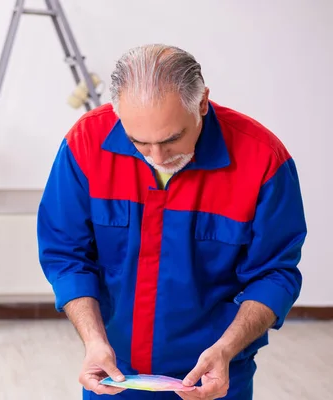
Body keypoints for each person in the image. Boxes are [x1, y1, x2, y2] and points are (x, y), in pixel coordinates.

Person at [37, 44, 307, 399]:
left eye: (172, 139)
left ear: (202, 102)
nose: (157, 157)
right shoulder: (86, 144)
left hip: (216, 377)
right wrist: (93, 340)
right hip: (115, 375)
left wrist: (226, 348)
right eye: (139, 143)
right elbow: (66, 255)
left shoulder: (263, 160)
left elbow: (275, 274)